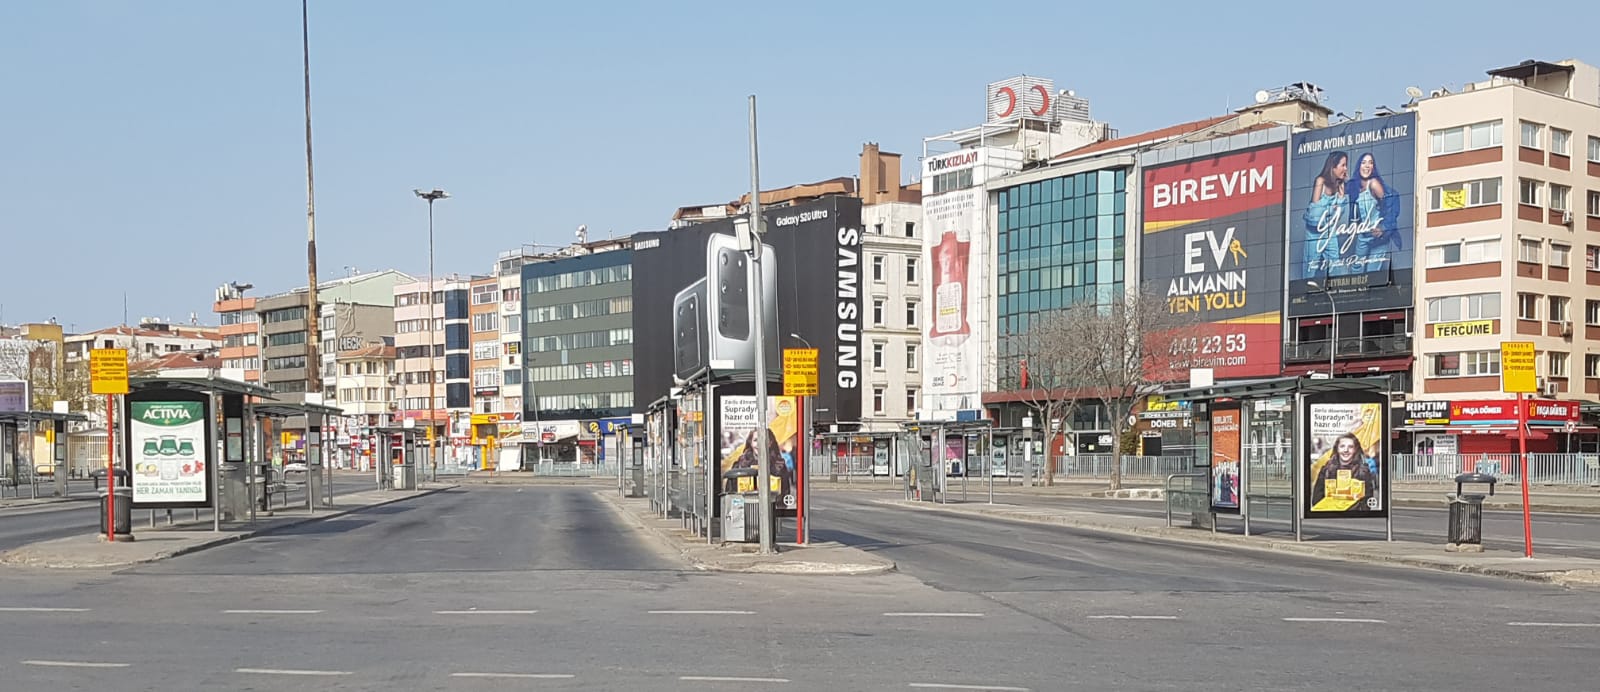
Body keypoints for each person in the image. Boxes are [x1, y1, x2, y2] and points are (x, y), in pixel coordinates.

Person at [1345, 152, 1401, 271]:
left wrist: (1383, 227)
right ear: (1359, 166)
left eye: (1370, 163)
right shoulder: (1356, 186)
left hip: (1378, 237)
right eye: (1364, 162)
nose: (1367, 165)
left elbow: (1391, 204)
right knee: (1356, 268)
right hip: (1363, 235)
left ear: (1373, 167)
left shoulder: (1374, 184)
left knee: (1373, 272)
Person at [1303, 151, 1350, 279]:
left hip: (1329, 232)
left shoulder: (1339, 185)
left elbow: (1338, 216)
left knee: (1335, 267)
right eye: (1343, 165)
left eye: (1346, 165)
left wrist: (1341, 197)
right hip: (1314, 233)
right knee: (1310, 269)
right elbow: (1314, 216)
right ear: (1333, 167)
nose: (1345, 169)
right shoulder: (1320, 181)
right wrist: (1331, 210)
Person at [1310, 432, 1380, 509]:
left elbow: (1367, 502)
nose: (1346, 450)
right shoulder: (1326, 470)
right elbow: (1316, 500)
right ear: (1337, 448)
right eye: (1342, 446)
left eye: (1350, 447)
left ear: (1355, 449)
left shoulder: (1363, 471)